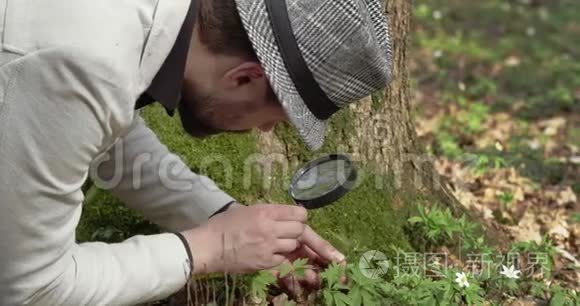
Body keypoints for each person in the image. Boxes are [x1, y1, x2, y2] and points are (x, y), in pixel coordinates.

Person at [0, 0, 393, 304]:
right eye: (277, 116)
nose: (266, 129)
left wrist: (224, 219)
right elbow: (30, 288)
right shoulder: (81, 64)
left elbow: (102, 136)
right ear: (245, 77)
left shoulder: (128, 29)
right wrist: (209, 248)